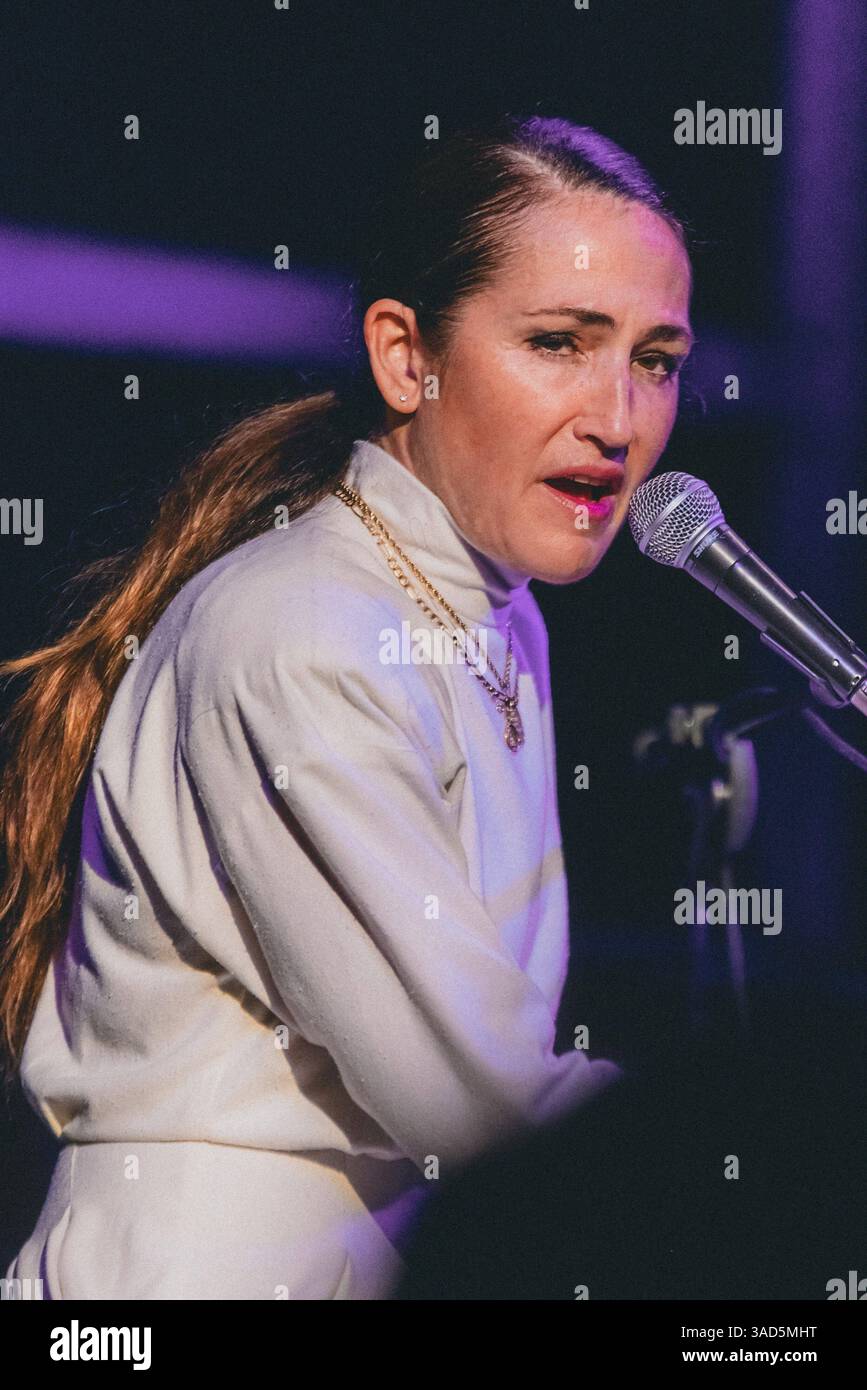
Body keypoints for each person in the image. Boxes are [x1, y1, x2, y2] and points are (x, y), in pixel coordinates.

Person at [0, 113, 693, 1299]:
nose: (619, 419)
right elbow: (467, 1090)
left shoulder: (493, 610)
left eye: (655, 360)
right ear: (403, 357)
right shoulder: (306, 627)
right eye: (559, 342)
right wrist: (770, 1155)